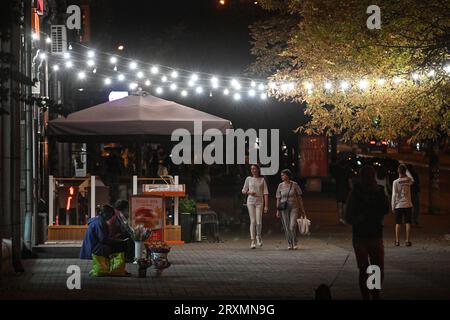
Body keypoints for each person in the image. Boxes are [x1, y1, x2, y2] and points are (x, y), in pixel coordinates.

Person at [345, 165, 389, 300]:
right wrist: (359, 219)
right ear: (361, 178)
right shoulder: (355, 193)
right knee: (364, 268)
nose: (369, 180)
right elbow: (348, 216)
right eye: (366, 177)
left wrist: (379, 193)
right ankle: (366, 296)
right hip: (360, 237)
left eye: (371, 176)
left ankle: (375, 294)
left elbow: (386, 209)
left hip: (375, 234)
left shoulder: (379, 191)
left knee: (377, 268)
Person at [276, 169, 306, 250]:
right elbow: (278, 198)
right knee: (286, 226)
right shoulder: (280, 186)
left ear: (288, 175)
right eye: (281, 175)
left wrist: (302, 209)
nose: (282, 176)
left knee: (292, 225)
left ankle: (295, 241)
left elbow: (299, 197)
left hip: (294, 207)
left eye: (284, 175)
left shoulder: (294, 184)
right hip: (283, 208)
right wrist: (277, 210)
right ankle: (289, 242)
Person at [242, 164, 269, 249]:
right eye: (251, 169)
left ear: (258, 170)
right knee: (252, 221)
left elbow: (265, 193)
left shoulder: (262, 180)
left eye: (254, 168)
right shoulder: (248, 179)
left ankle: (258, 236)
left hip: (259, 201)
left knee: (259, 221)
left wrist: (266, 206)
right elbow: (243, 190)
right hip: (250, 201)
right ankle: (252, 240)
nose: (253, 170)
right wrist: (249, 192)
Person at [392, 164, 414, 246]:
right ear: (405, 171)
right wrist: (407, 170)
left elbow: (394, 195)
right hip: (408, 204)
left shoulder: (395, 182)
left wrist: (393, 206)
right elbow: (412, 179)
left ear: (398, 171)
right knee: (408, 222)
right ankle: (407, 241)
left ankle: (397, 241)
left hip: (399, 205)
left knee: (398, 223)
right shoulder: (408, 180)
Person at [331, 160, 352, 225]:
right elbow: (349, 181)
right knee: (345, 205)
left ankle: (340, 219)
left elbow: (333, 180)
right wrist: (351, 188)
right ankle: (344, 219)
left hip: (339, 189)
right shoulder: (347, 171)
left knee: (339, 205)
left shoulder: (337, 171)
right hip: (346, 189)